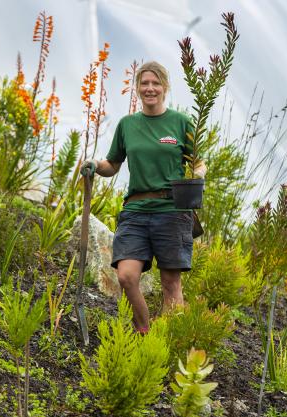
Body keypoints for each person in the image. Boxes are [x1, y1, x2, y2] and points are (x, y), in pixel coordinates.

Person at [80, 61, 205, 334]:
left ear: (165, 87)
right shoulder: (127, 125)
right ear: (137, 88)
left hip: (172, 210)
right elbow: (112, 165)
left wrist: (197, 179)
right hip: (136, 211)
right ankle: (144, 332)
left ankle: (170, 342)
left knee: (171, 282)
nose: (150, 89)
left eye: (156, 83)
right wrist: (94, 164)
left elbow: (198, 163)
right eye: (145, 83)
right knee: (126, 276)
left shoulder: (181, 123)